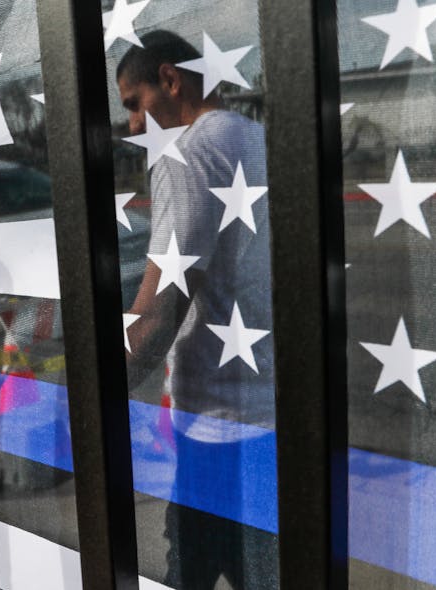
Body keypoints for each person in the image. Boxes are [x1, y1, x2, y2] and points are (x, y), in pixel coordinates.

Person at [118, 30, 275, 589]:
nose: (134, 126)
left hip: (217, 433)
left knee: (192, 569)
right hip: (271, 418)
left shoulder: (184, 152)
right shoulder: (257, 140)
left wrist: (92, 398)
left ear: (169, 79)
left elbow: (160, 310)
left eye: (134, 105)